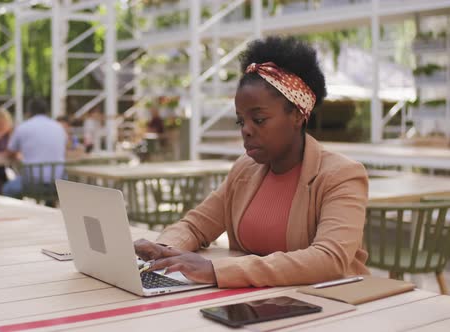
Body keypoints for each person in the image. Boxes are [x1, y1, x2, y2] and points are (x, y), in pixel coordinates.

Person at [134, 36, 369, 288]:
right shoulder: (245, 170)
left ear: (298, 116)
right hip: (257, 302)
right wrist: (164, 250)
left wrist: (217, 270)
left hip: (333, 307)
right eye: (241, 121)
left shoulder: (341, 175)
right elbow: (196, 226)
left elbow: (328, 259)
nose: (245, 130)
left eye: (258, 120)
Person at [2, 97, 67, 199]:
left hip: (32, 184)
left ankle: (21, 213)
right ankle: (49, 206)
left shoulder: (23, 127)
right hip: (59, 184)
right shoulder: (59, 127)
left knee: (7, 189)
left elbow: (9, 153)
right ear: (47, 111)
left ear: (29, 112)